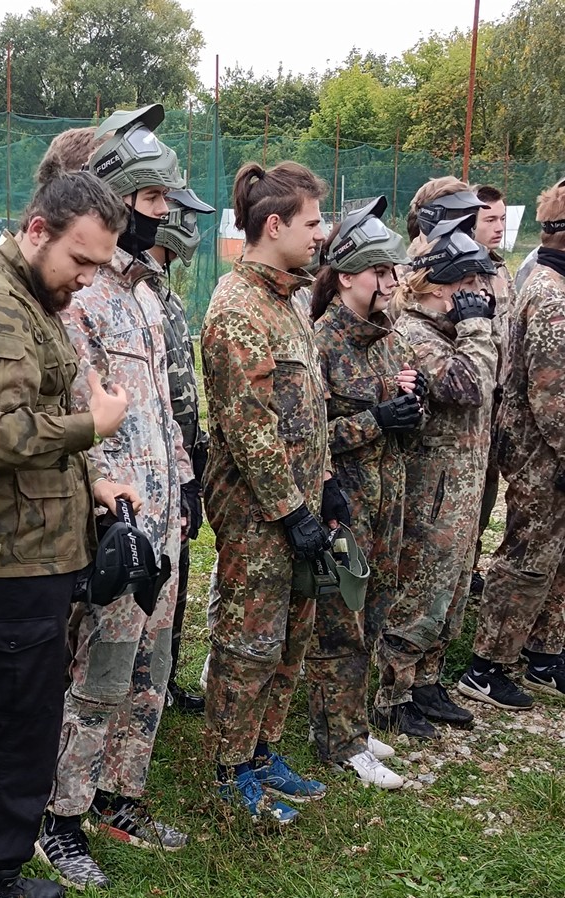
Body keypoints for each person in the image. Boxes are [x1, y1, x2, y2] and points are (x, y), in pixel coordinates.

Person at [0, 170, 134, 898]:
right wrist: (90, 428)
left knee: (3, 718)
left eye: (99, 265)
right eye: (80, 259)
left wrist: (91, 479)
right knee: (14, 727)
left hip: (26, 550)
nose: (86, 278)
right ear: (37, 230)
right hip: (6, 561)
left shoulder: (30, 298)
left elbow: (25, 421)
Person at [36, 106, 194, 889]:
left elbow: (158, 408)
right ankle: (60, 817)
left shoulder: (142, 293)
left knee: (149, 671)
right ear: (120, 196)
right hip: (117, 522)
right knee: (98, 674)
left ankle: (119, 797)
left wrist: (184, 487)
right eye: (154, 198)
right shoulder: (83, 298)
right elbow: (77, 415)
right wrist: (108, 513)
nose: (164, 211)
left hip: (162, 520)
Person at [200, 161, 335, 824]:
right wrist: (291, 511)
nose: (321, 232)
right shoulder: (238, 308)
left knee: (290, 637)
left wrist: (324, 487)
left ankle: (261, 750)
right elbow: (249, 426)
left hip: (300, 506)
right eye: (312, 221)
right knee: (248, 642)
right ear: (274, 225)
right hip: (258, 514)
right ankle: (228, 770)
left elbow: (308, 406)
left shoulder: (289, 301)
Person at [305, 197, 419, 790]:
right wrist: (376, 420)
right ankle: (338, 739)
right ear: (347, 276)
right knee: (340, 623)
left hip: (386, 500)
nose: (392, 282)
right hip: (344, 503)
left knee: (374, 611)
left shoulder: (388, 338)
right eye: (380, 271)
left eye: (394, 270)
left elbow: (400, 420)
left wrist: (411, 406)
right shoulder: (321, 342)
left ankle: (351, 722)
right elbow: (308, 437)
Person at [372, 216, 499, 739]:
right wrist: (476, 327)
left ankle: (426, 680)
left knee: (452, 589)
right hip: (434, 490)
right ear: (437, 285)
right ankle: (392, 694)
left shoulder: (451, 331)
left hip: (461, 484)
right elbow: (470, 386)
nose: (477, 293)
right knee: (420, 590)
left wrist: (474, 326)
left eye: (480, 282)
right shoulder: (415, 334)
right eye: (466, 283)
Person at [459, 180, 565, 707]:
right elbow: (551, 392)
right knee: (528, 554)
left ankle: (543, 653)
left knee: (556, 555)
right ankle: (486, 665)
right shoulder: (549, 293)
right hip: (541, 447)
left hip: (553, 446)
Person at [151, 181, 216, 715]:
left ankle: (164, 682)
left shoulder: (166, 296)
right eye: (184, 216)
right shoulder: (139, 293)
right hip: (150, 468)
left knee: (178, 574)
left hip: (182, 459)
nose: (191, 229)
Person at [469, 185, 513, 597]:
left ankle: (471, 564)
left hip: (499, 401)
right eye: (490, 219)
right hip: (472, 400)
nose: (498, 227)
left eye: (502, 218)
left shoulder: (501, 270)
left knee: (487, 488)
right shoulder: (458, 272)